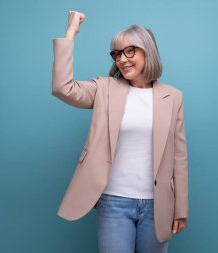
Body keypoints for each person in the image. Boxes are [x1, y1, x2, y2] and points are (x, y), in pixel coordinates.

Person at [51, 10, 189, 253]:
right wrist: (71, 32)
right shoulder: (104, 88)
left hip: (158, 205)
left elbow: (179, 156)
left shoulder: (173, 96)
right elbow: (64, 88)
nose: (122, 59)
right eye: (117, 54)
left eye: (130, 51)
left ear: (148, 51)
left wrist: (180, 209)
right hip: (114, 202)